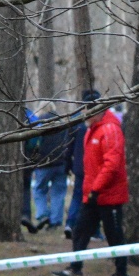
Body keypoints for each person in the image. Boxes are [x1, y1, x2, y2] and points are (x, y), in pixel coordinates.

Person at [52, 91, 130, 276]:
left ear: (96, 111)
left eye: (85, 110)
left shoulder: (110, 130)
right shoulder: (92, 129)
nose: (83, 114)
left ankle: (122, 274)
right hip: (93, 195)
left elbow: (111, 165)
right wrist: (91, 191)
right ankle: (75, 269)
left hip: (108, 195)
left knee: (114, 235)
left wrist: (96, 189)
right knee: (80, 230)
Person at [25, 102, 70, 231]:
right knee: (58, 193)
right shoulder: (61, 122)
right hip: (60, 162)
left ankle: (43, 214)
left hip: (43, 162)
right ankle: (55, 221)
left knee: (39, 190)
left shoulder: (38, 123)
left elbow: (34, 143)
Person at [62, 96, 89, 239]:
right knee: (89, 199)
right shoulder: (93, 123)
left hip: (78, 166)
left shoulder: (75, 122)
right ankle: (90, 229)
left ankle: (70, 223)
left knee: (77, 197)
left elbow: (68, 146)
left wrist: (67, 165)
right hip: (89, 169)